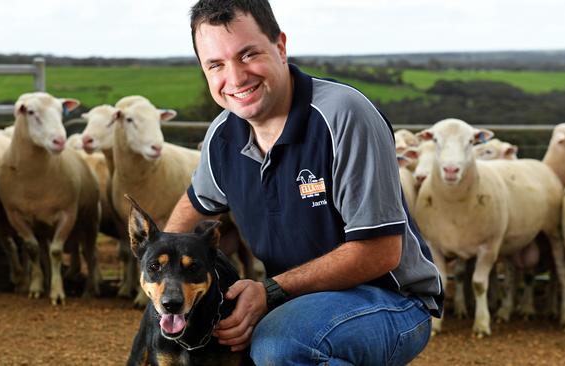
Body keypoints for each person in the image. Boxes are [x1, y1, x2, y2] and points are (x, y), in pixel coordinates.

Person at [164, 0, 444, 364]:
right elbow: (196, 204)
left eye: (248, 55)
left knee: (279, 346)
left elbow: (381, 251)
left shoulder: (344, 116)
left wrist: (271, 291)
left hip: (390, 300)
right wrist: (164, 274)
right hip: (298, 299)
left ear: (280, 46)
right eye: (215, 64)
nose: (234, 79)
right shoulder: (222, 135)